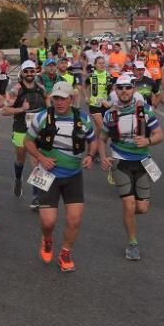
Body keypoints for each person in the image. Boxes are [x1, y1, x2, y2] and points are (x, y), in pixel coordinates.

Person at [24, 81, 99, 272]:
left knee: (74, 220)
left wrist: (90, 156)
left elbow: (93, 140)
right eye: (55, 98)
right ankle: (47, 240)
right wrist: (41, 157)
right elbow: (28, 141)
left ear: (71, 99)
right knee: (48, 222)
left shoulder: (83, 119)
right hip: (47, 174)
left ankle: (65, 253)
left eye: (63, 98)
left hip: (73, 175)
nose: (59, 102)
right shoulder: (42, 117)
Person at [99, 74, 164, 261]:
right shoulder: (109, 114)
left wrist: (148, 140)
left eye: (128, 87)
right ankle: (132, 243)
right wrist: (103, 157)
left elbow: (159, 134)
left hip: (143, 161)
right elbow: (101, 139)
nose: (124, 91)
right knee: (129, 205)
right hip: (120, 161)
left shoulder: (144, 110)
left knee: (141, 209)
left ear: (133, 89)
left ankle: (127, 216)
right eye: (121, 88)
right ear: (116, 91)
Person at [2, 60, 47, 204]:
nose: (29, 74)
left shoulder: (40, 88)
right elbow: (5, 111)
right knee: (20, 159)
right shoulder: (16, 90)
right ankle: (18, 178)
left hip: (37, 130)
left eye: (32, 71)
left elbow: (48, 102)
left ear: (35, 72)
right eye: (26, 71)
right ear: (22, 73)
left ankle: (36, 196)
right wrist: (21, 109)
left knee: (37, 160)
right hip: (21, 128)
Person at [87, 55, 112, 132]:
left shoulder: (108, 76)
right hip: (95, 105)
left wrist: (110, 102)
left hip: (106, 105)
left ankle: (96, 142)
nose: (102, 65)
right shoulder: (91, 76)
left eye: (103, 63)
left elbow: (112, 90)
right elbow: (84, 87)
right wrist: (87, 97)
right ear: (95, 65)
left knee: (99, 129)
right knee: (102, 128)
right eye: (99, 63)